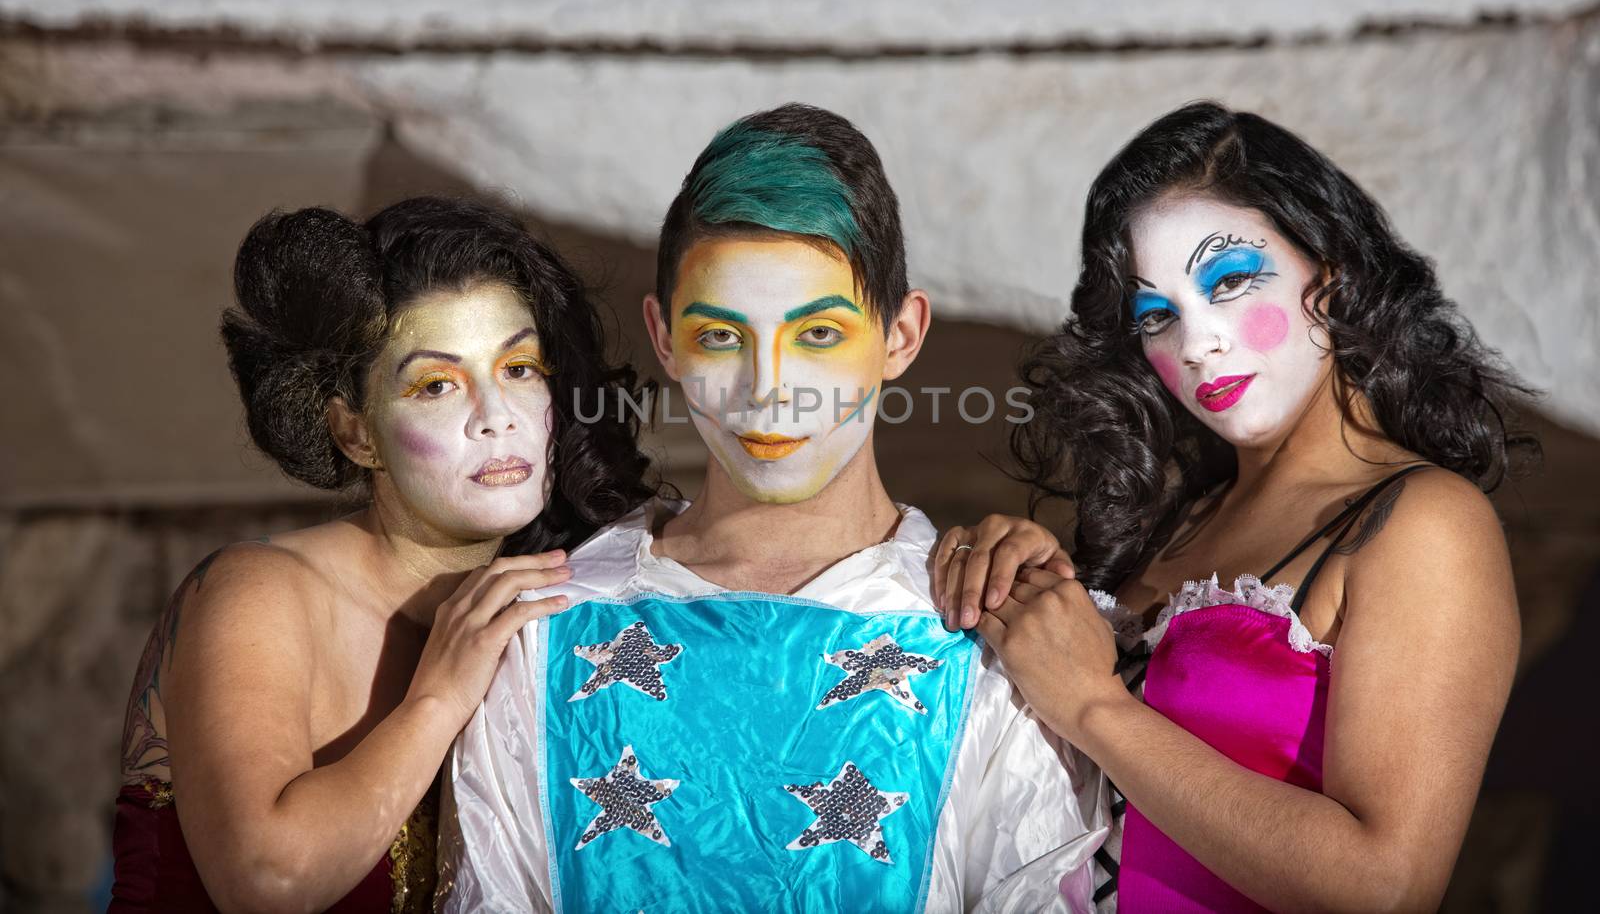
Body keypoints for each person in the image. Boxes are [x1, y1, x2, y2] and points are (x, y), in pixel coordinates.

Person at [437, 104, 1109, 912]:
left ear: (900, 335)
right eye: (722, 338)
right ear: (665, 338)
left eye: (818, 335)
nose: (770, 389)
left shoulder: (995, 645)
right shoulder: (544, 630)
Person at [932, 102, 1534, 911]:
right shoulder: (1168, 525)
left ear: (1335, 272)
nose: (1197, 342)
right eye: (1158, 316)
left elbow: (1384, 888)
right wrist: (1020, 580)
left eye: (1228, 281)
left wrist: (1093, 705)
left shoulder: (1419, 522)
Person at [112, 197, 656, 911]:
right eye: (437, 384)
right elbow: (268, 881)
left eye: (520, 368)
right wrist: (440, 696)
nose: (498, 415)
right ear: (355, 433)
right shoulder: (256, 592)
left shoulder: (555, 615)